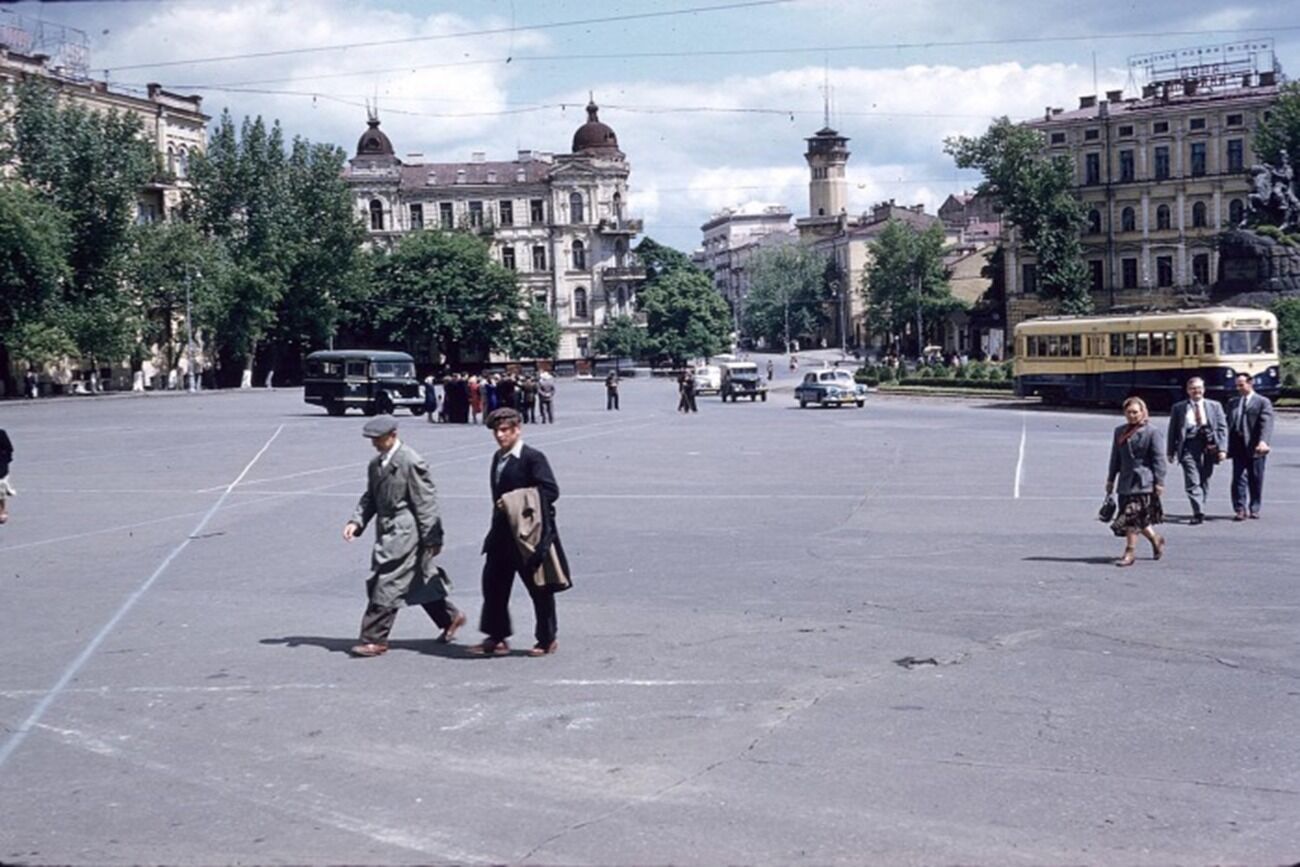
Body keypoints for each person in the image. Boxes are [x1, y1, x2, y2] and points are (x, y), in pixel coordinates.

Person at [342, 415, 465, 657]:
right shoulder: (376, 464)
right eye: (372, 439)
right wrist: (356, 521)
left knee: (386, 580)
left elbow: (425, 501)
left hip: (406, 532)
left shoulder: (410, 461)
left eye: (378, 439)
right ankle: (450, 618)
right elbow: (371, 497)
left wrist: (433, 538)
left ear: (393, 435)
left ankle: (374, 638)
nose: (375, 443)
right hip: (388, 529)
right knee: (417, 580)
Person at [471, 408, 568, 657]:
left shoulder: (532, 458)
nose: (500, 435)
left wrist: (514, 501)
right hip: (501, 534)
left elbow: (550, 490)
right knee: (493, 585)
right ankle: (497, 636)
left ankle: (546, 639)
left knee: (538, 588)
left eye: (505, 430)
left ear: (517, 430)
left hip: (528, 536)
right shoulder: (498, 458)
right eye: (496, 431)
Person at [1106, 396, 1167, 567]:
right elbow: (1115, 458)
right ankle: (1156, 539)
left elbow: (1159, 459)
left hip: (1143, 482)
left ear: (1143, 412)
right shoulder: (1119, 431)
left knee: (1131, 517)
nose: (1132, 415)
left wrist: (1159, 482)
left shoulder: (1152, 432)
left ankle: (1129, 552)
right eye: (1129, 412)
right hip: (1125, 482)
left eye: (1135, 412)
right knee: (1139, 518)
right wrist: (1111, 479)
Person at [1166, 376, 1227, 525]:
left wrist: (1223, 449)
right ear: (1188, 391)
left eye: (1199, 388)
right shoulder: (1179, 408)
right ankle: (1198, 511)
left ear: (1204, 389)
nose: (1196, 391)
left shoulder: (1215, 406)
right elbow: (1173, 430)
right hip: (1188, 445)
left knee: (1205, 478)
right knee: (1192, 480)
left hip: (1209, 445)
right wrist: (1170, 451)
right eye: (1193, 388)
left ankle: (1201, 505)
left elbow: (1222, 428)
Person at [1226, 373, 1275, 520]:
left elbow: (1266, 423)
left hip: (1255, 446)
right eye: (1237, 385)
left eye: (1241, 384)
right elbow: (1227, 424)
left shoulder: (1262, 402)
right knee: (1238, 478)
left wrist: (1263, 441)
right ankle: (1240, 509)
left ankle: (1254, 507)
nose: (1238, 388)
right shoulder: (1233, 402)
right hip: (1237, 445)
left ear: (1250, 383)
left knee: (1255, 477)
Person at [0, 428, 13, 525]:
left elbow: (9, 449)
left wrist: (5, 460)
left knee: (1, 490)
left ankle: (2, 510)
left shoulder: (1, 433)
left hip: (1, 468)